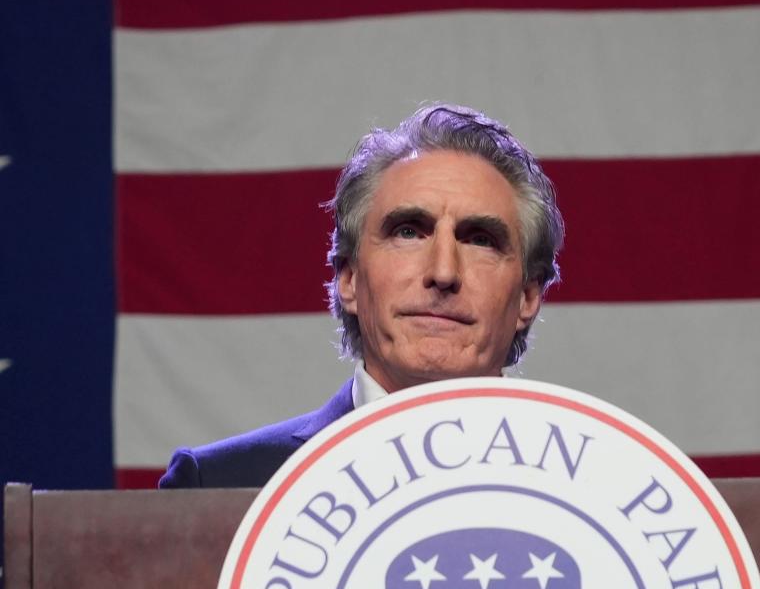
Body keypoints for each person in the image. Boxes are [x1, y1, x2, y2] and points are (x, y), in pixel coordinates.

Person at [158, 103, 565, 489]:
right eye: (408, 232)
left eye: (480, 240)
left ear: (528, 297)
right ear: (348, 278)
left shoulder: (601, 487)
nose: (443, 272)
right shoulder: (217, 483)